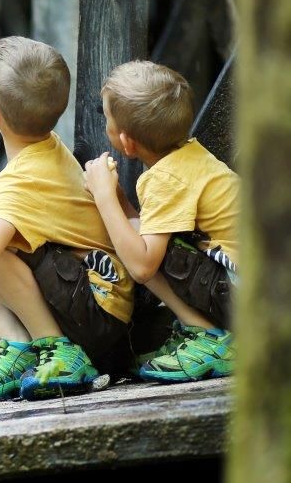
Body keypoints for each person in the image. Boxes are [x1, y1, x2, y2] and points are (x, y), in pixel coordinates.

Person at [0, 37, 134, 401]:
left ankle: (55, 350)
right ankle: (20, 338)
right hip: (100, 301)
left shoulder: (21, 181)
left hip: (97, 313)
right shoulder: (49, 148)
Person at [82, 60, 238, 382]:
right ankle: (207, 333)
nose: (105, 124)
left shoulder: (165, 179)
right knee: (141, 238)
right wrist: (121, 201)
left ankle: (211, 339)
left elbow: (142, 266)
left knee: (141, 253)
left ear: (126, 142)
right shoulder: (190, 156)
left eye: (107, 118)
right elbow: (148, 230)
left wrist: (103, 198)